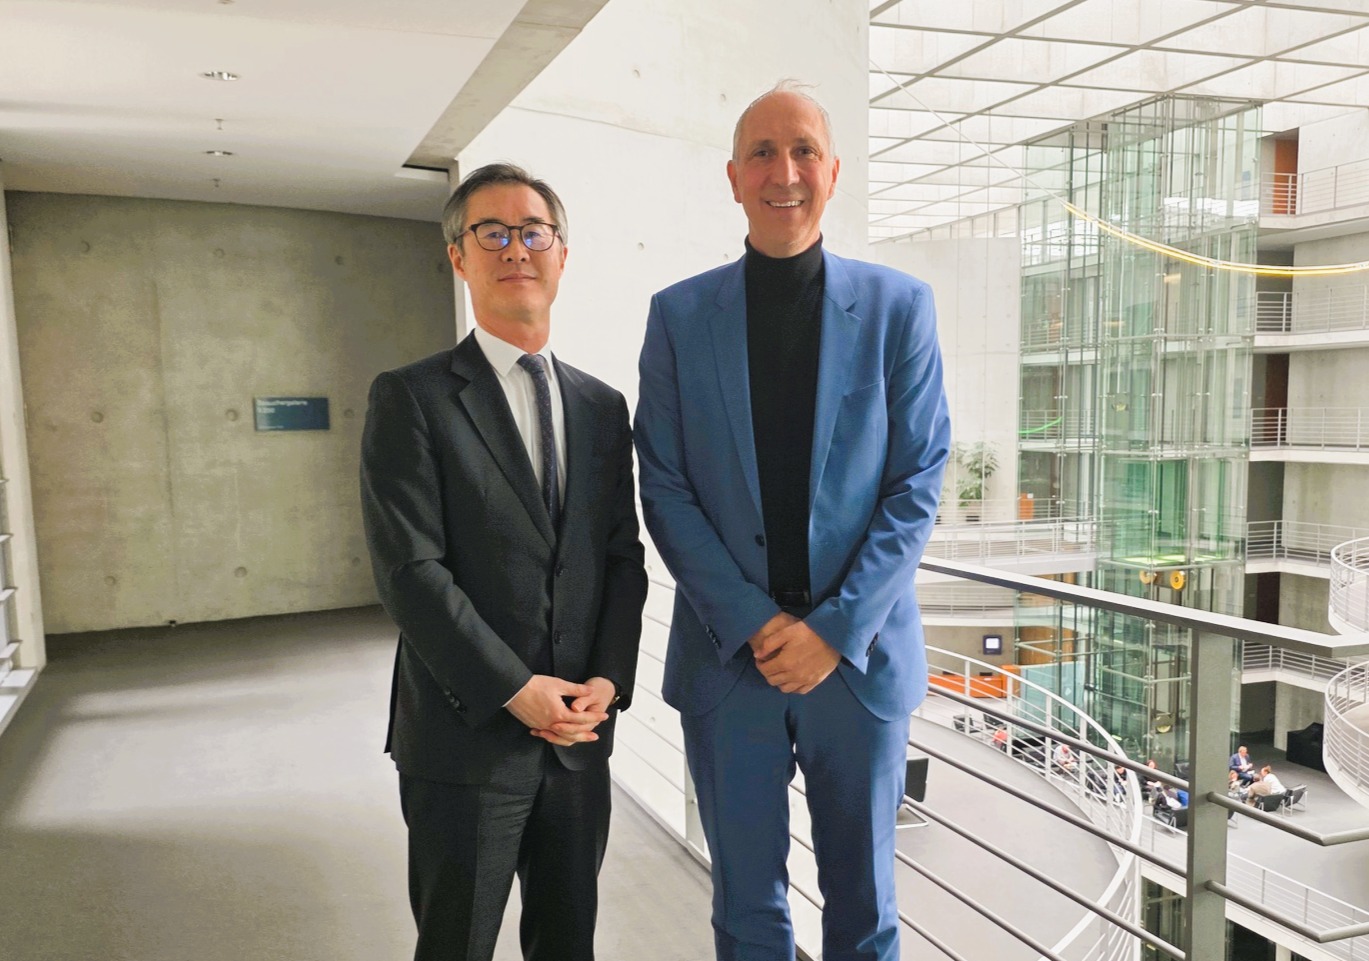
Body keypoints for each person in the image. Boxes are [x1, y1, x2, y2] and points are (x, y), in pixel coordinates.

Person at [635, 81, 951, 961]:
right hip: (727, 658)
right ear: (733, 177)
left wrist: (833, 630)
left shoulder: (898, 308)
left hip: (859, 660)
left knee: (865, 910)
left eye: (804, 150)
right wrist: (755, 621)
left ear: (833, 172)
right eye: (763, 154)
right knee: (745, 908)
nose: (785, 172)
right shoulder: (677, 316)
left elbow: (917, 480)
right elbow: (663, 484)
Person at [360, 163, 648, 961]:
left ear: (561, 254)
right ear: (458, 256)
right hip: (466, 739)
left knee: (568, 943)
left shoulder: (601, 406)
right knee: (455, 944)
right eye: (491, 232)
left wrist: (608, 680)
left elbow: (620, 557)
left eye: (533, 231)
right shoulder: (411, 397)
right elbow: (409, 571)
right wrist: (516, 690)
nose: (515, 248)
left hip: (578, 739)